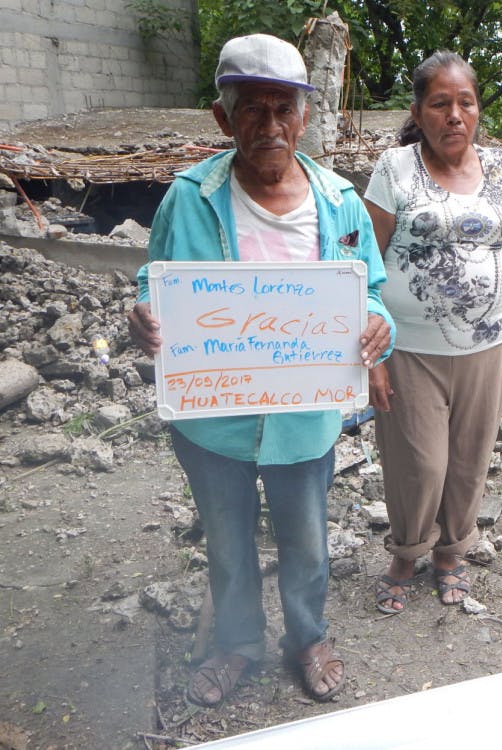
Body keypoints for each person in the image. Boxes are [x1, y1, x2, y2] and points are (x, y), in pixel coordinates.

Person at [127, 34, 395, 706]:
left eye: (285, 109)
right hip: (213, 418)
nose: (270, 126)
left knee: (306, 544)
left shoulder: (339, 203)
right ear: (224, 119)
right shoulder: (189, 198)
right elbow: (152, 280)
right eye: (252, 109)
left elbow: (366, 290)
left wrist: (375, 325)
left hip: (304, 417)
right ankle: (238, 643)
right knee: (227, 539)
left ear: (306, 117)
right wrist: (144, 312)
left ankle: (307, 636)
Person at [363, 51, 502, 613]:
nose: (455, 115)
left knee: (468, 459)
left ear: (478, 109)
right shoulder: (395, 169)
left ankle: (451, 553)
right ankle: (406, 552)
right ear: (418, 112)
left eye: (465, 102)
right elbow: (364, 265)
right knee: (421, 464)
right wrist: (369, 356)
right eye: (440, 103)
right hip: (410, 348)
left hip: (491, 345)